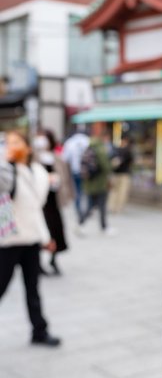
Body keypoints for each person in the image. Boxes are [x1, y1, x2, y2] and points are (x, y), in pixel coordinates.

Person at [0, 130, 61, 347]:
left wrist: (46, 237)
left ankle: (39, 331)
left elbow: (36, 209)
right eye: (8, 142)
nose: (11, 145)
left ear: (27, 146)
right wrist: (4, 160)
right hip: (8, 241)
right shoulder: (6, 170)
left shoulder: (38, 172)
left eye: (16, 141)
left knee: (33, 289)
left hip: (32, 240)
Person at [34, 129, 73, 275]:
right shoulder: (34, 158)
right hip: (39, 202)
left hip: (54, 200)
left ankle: (53, 259)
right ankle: (37, 263)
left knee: (56, 230)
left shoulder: (57, 158)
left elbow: (65, 177)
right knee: (40, 232)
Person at [79, 134, 112, 234]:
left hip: (89, 183)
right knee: (101, 206)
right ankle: (104, 227)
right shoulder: (100, 149)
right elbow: (106, 167)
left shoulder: (88, 148)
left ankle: (81, 223)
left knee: (91, 205)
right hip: (100, 183)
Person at [62, 126, 90, 223]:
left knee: (77, 191)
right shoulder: (88, 141)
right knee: (86, 192)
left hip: (75, 171)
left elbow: (65, 158)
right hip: (87, 172)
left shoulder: (70, 143)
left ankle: (79, 210)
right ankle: (87, 210)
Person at [107, 135, 134, 214]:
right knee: (122, 192)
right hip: (124, 175)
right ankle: (118, 208)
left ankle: (112, 207)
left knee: (114, 191)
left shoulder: (116, 150)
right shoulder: (128, 151)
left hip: (115, 174)